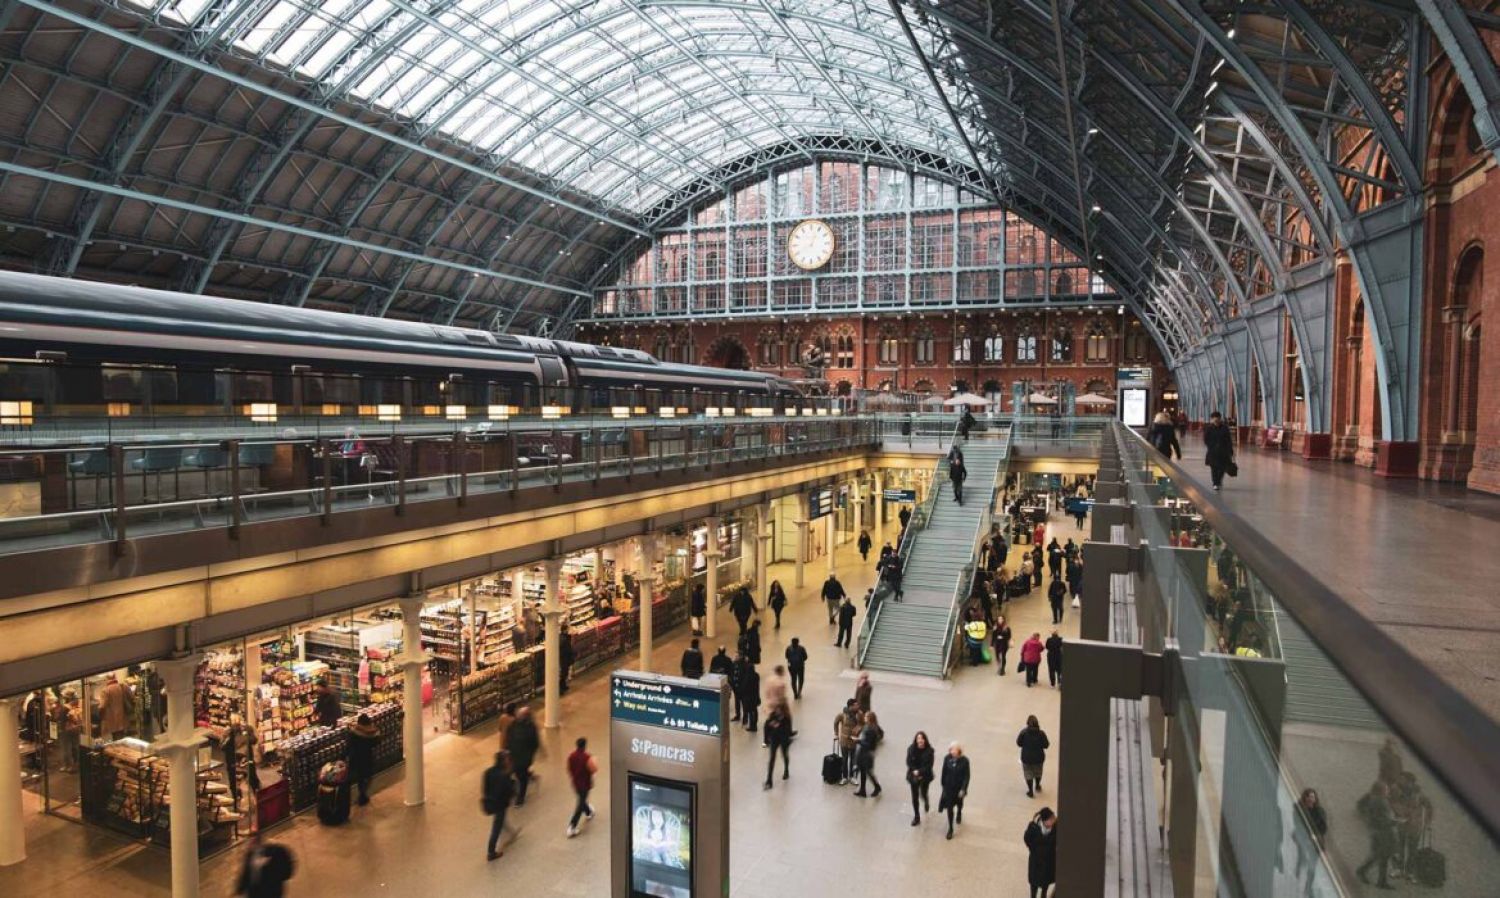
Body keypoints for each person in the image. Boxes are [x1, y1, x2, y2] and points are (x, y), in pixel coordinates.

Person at [1355, 780, 1398, 888]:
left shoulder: (1374, 800)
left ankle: (1378, 879)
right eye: (1386, 789)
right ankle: (1375, 878)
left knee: (1379, 855)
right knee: (1381, 856)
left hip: (1376, 832)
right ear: (1381, 791)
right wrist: (1394, 822)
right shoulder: (1381, 802)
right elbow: (1382, 819)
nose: (1388, 791)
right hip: (1383, 833)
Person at [235, 830, 296, 897]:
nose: (249, 845)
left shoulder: (273, 851)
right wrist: (240, 888)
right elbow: (246, 872)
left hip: (270, 892)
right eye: (248, 842)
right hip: (254, 893)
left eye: (252, 842)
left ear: (258, 841)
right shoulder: (249, 855)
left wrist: (269, 863)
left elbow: (285, 868)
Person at [481, 751, 517, 860]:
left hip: (491, 802)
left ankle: (512, 832)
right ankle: (491, 852)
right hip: (500, 805)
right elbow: (509, 791)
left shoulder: (488, 772)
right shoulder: (504, 775)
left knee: (501, 820)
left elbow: (485, 789)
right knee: (497, 826)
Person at [1293, 788, 1328, 896]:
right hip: (1303, 840)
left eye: (1313, 797)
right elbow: (1298, 825)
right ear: (1305, 798)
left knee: (1312, 866)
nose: (1311, 800)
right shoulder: (1300, 811)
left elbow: (1324, 828)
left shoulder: (1320, 811)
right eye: (1309, 797)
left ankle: (1308, 887)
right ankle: (1297, 872)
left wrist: (1316, 836)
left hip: (1315, 842)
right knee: (1301, 856)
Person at [504, 705, 541, 806]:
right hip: (515, 756)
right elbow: (508, 738)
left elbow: (534, 743)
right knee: (516, 774)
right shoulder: (513, 725)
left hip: (523, 758)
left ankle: (521, 797)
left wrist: (529, 754)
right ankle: (517, 788)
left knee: (522, 777)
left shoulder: (529, 727)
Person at [565, 737, 597, 837]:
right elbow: (594, 769)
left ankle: (588, 812)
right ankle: (572, 826)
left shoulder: (571, 756)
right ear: (584, 746)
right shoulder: (587, 757)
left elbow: (569, 769)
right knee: (580, 804)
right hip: (585, 784)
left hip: (575, 783)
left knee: (581, 799)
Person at [939, 742, 971, 840]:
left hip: (959, 788)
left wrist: (963, 789)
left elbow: (967, 776)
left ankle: (959, 812)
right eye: (950, 749)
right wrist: (943, 785)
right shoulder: (947, 758)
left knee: (959, 803)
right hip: (949, 788)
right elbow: (944, 772)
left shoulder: (965, 761)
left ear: (959, 751)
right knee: (949, 808)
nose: (951, 751)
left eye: (954, 749)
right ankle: (950, 828)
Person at [1025, 808, 1059, 898]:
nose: (1054, 819)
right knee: (1034, 886)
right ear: (1044, 821)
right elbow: (1026, 838)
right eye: (1051, 819)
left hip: (1048, 862)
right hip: (1036, 863)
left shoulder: (1056, 828)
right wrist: (1033, 849)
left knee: (1045, 885)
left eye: (1053, 817)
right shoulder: (1033, 827)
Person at [905, 731, 935, 826]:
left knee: (923, 792)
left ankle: (926, 800)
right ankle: (916, 817)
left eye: (922, 738)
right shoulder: (911, 749)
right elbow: (909, 761)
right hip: (914, 776)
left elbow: (929, 765)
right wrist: (914, 771)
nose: (920, 740)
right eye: (918, 738)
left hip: (925, 776)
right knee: (915, 797)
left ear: (925, 740)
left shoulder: (930, 751)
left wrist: (920, 772)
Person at [1017, 715, 1051, 797]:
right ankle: (1038, 785)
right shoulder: (1041, 733)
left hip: (1026, 758)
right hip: (1039, 758)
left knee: (1028, 773)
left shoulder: (1023, 732)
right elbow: (1046, 745)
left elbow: (1019, 743)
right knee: (1038, 772)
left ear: (1027, 723)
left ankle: (1030, 791)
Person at [853, 710, 883, 798]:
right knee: (863, 771)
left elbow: (868, 744)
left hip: (867, 754)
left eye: (866, 717)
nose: (864, 718)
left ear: (870, 719)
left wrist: (858, 741)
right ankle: (862, 790)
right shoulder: (868, 726)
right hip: (864, 753)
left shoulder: (871, 730)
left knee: (869, 772)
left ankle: (877, 787)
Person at [1203, 411, 1236, 491]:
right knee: (1214, 468)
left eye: (1217, 418)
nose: (1216, 420)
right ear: (1212, 419)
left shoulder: (1224, 428)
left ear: (1220, 419)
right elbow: (1206, 439)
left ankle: (1219, 481)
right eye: (1214, 418)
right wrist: (1211, 446)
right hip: (1213, 452)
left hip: (1223, 452)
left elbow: (1228, 440)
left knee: (1222, 468)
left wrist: (1231, 450)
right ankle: (1215, 483)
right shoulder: (1209, 428)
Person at [762, 707, 792, 789]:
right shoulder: (772, 715)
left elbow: (789, 730)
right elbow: (766, 726)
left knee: (784, 755)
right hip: (774, 738)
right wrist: (766, 740)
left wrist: (778, 726)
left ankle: (786, 769)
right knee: (772, 759)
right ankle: (769, 780)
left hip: (783, 739)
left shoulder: (787, 717)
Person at [98, 673, 133, 741]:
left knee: (115, 738)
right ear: (115, 677)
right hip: (123, 716)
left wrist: (100, 716)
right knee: (123, 736)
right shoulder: (123, 686)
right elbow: (131, 697)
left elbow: (102, 706)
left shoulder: (105, 690)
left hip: (111, 719)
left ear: (106, 679)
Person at [835, 700, 863, 784]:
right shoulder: (842, 714)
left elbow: (863, 723)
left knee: (853, 759)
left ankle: (851, 777)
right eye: (855, 705)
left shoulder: (859, 714)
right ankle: (844, 777)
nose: (857, 706)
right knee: (844, 759)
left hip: (853, 741)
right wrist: (836, 733)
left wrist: (858, 729)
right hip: (844, 740)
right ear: (850, 706)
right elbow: (835, 722)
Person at [737, 656, 761, 732]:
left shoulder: (747, 677)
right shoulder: (756, 676)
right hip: (755, 695)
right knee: (755, 710)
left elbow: (744, 687)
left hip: (748, 697)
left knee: (750, 711)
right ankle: (755, 724)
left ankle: (752, 726)